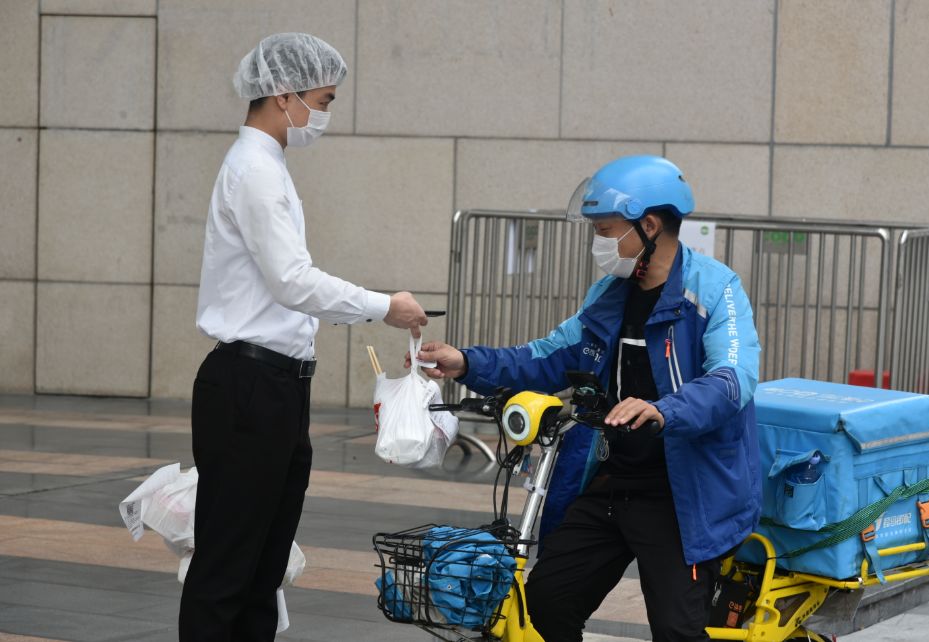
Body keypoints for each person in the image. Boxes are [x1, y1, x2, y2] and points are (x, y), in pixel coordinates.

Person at [414, 155, 762, 641]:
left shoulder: (715, 288)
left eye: (606, 229)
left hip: (684, 493)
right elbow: (547, 357)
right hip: (612, 479)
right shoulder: (610, 292)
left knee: (678, 630)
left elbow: (733, 379)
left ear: (650, 225)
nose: (599, 241)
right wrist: (468, 363)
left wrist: (664, 410)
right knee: (546, 605)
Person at [179, 33, 426, 642]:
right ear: (283, 96)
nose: (324, 114)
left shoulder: (269, 167)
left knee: (263, 565)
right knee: (230, 565)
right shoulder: (254, 170)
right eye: (323, 99)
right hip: (249, 384)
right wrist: (382, 305)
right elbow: (291, 281)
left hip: (274, 385)